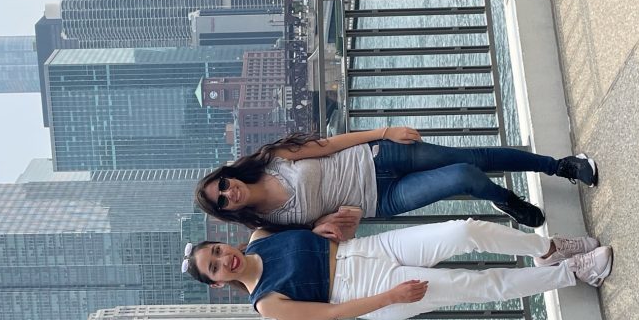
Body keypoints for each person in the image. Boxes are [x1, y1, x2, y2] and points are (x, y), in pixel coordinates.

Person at [194, 128, 597, 239]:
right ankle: (503, 198)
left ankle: (560, 166)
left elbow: (329, 144)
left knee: (475, 157)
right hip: (381, 199)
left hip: (379, 156)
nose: (229, 193)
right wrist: (321, 228)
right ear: (228, 211)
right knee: (466, 176)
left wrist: (384, 132)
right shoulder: (269, 226)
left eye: (223, 185)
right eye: (223, 200)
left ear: (229, 174)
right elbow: (315, 239)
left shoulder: (273, 161)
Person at [182, 220, 612, 320]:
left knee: (463, 230)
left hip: (368, 247)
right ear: (219, 283)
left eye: (217, 250)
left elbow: (313, 232)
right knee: (476, 284)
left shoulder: (260, 235)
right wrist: (392, 298)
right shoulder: (267, 303)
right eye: (214, 268)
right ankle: (574, 273)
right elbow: (334, 314)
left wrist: (323, 225)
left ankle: (549, 248)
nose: (223, 260)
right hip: (369, 289)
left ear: (225, 241)